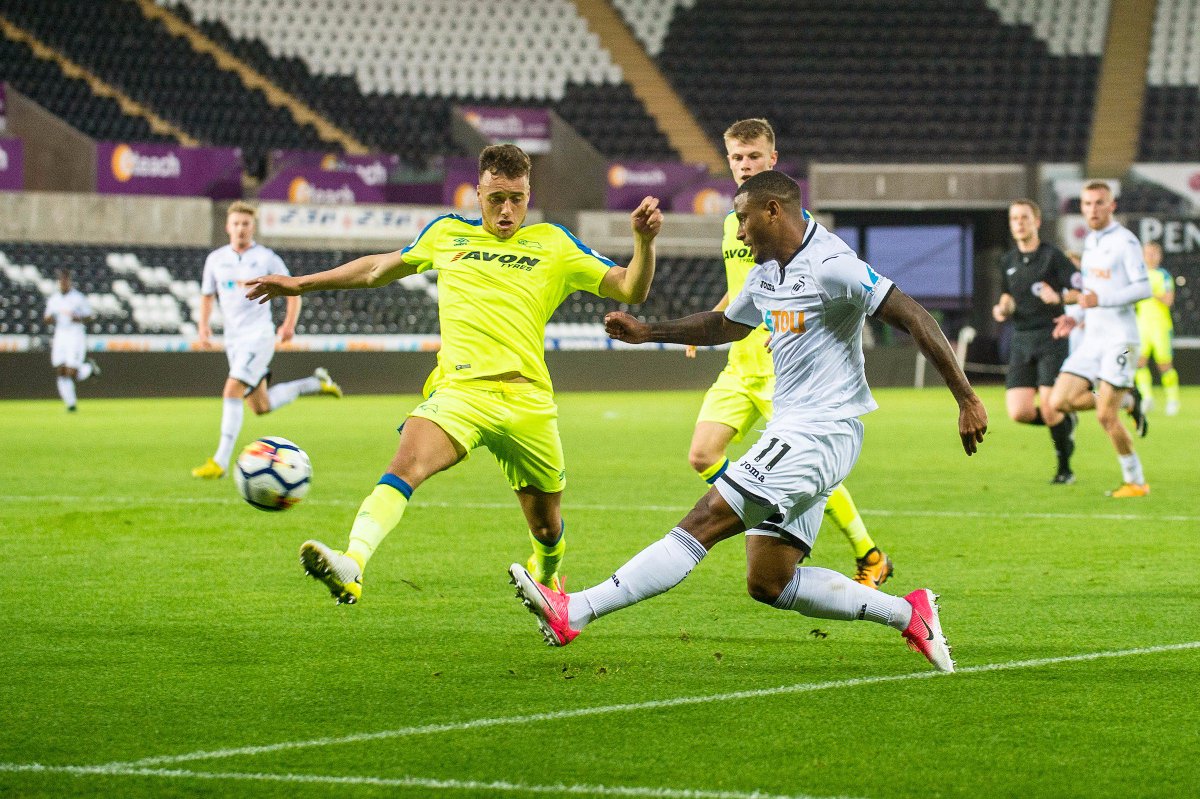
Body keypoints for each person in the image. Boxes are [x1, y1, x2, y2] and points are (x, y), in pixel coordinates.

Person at [509, 171, 988, 673]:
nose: (739, 232)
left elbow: (916, 316)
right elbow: (724, 324)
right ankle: (909, 613)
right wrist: (648, 330)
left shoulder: (833, 264)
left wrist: (967, 399)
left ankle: (577, 610)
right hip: (797, 431)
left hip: (819, 433)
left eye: (743, 219)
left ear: (773, 212)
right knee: (770, 581)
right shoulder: (765, 272)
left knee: (705, 519)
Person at [245, 144, 664, 605]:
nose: (507, 210)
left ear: (529, 194)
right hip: (461, 393)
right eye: (496, 198)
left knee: (546, 526)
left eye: (518, 199)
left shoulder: (555, 243)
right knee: (405, 465)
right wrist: (299, 284)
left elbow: (630, 288)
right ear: (478, 192)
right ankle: (353, 562)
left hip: (528, 403)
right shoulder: (446, 234)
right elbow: (375, 270)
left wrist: (644, 244)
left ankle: (547, 576)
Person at [685, 118, 893, 588]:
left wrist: (784, 323)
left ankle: (869, 552)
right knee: (702, 454)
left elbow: (806, 293)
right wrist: (710, 322)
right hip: (740, 367)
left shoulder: (793, 225)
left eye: (753, 157)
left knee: (809, 472)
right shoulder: (731, 225)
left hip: (789, 373)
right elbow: (742, 289)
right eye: (737, 158)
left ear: (772, 160)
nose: (744, 165)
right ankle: (761, 498)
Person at [191, 201, 342, 479]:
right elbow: (206, 295)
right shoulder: (215, 260)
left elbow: (294, 289)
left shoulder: (267, 258)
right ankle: (316, 382)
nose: (240, 229)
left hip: (259, 336)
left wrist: (288, 324)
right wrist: (203, 327)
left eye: (245, 224)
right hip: (234, 341)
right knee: (261, 406)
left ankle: (220, 462)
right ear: (227, 227)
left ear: (253, 227)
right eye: (236, 223)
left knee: (231, 390)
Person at [1050, 181, 1151, 498]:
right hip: (1092, 337)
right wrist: (1075, 316)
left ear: (1112, 206)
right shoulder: (1091, 242)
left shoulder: (1125, 242)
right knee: (1059, 402)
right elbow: (1089, 296)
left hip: (1121, 339)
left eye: (1099, 203)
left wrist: (1101, 300)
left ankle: (1136, 481)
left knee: (1106, 416)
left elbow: (1143, 288)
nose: (1092, 209)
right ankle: (1127, 400)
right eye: (1087, 203)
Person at [991, 199, 1081, 484]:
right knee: (1019, 412)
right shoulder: (1007, 261)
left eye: (1024, 218)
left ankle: (1065, 468)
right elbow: (1007, 296)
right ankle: (1067, 423)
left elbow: (1082, 291)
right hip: (1021, 338)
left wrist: (1060, 297)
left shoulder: (1053, 256)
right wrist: (1002, 307)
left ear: (1036, 222)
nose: (1019, 223)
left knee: (1052, 405)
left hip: (1051, 336)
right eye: (1014, 218)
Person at [43, 269, 99, 412]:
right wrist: (49, 319)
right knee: (61, 370)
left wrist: (79, 318)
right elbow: (46, 317)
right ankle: (71, 404)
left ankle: (89, 369)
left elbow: (90, 316)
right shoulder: (54, 299)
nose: (63, 283)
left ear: (69, 282)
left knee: (71, 372)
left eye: (65, 281)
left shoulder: (78, 298)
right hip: (60, 334)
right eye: (61, 281)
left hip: (75, 335)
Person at [1134, 241, 1180, 416]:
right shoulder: (1138, 275)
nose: (1150, 256)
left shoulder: (1164, 276)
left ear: (1159, 256)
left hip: (1160, 326)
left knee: (1164, 365)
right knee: (1139, 363)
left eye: (1154, 253)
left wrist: (1151, 292)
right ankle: (1147, 397)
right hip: (1141, 325)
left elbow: (1168, 300)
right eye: (1147, 253)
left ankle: (1173, 399)